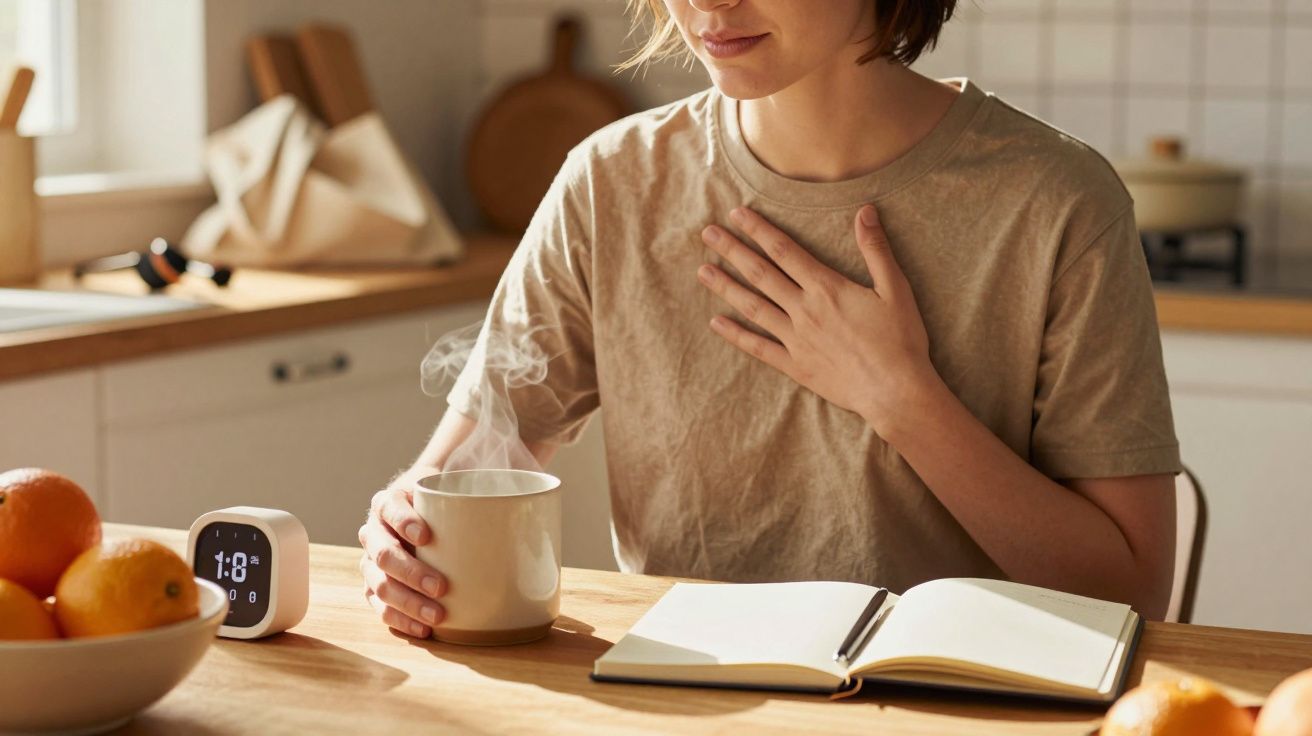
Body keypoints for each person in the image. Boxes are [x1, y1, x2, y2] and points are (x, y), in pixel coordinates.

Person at [359, 0, 1183, 640]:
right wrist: (404, 539)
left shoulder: (1058, 201)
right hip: (679, 706)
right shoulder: (608, 185)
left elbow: (1132, 591)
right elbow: (463, 474)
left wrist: (901, 398)